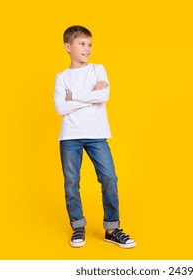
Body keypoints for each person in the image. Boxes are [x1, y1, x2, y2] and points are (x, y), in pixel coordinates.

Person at [54, 25, 135, 249]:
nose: (87, 48)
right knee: (72, 184)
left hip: (97, 135)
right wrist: (91, 96)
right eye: (82, 44)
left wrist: (76, 96)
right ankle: (78, 227)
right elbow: (61, 108)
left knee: (109, 178)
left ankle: (112, 229)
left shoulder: (98, 69)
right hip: (70, 137)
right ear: (68, 47)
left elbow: (104, 95)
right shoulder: (61, 77)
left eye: (89, 44)